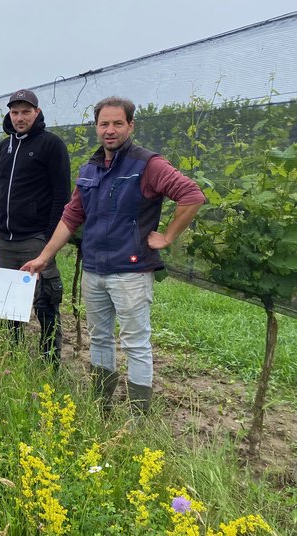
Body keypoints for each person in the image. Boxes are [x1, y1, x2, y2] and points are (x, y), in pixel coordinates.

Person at [21, 96, 205, 414]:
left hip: (130, 272)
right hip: (94, 270)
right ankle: (102, 408)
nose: (110, 130)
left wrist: (168, 236)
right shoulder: (91, 168)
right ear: (96, 127)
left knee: (135, 344)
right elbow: (71, 215)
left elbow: (191, 194)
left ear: (130, 126)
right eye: (104, 123)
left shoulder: (148, 165)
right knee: (100, 339)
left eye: (118, 123)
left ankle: (137, 417)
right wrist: (44, 257)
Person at [0, 89, 71, 364]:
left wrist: (49, 238)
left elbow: (62, 194)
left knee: (45, 302)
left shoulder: (51, 145)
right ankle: (11, 360)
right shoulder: (4, 147)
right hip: (6, 241)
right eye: (15, 112)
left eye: (26, 111)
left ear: (36, 113)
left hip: (36, 239)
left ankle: (50, 363)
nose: (20, 117)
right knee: (10, 305)